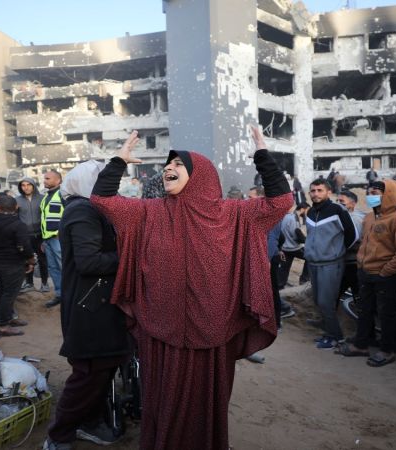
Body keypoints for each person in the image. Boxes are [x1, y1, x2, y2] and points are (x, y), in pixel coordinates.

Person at [90, 128, 292, 449]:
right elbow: (102, 200)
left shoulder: (235, 214)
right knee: (163, 402)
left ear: (202, 175)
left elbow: (281, 201)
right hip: (161, 334)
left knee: (205, 407)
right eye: (167, 165)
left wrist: (262, 156)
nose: (169, 169)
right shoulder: (146, 213)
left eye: (179, 165)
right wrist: (118, 160)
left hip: (211, 337)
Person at [44, 160, 131, 450]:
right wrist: (132, 257)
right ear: (87, 182)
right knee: (88, 376)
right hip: (90, 309)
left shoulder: (91, 209)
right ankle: (59, 435)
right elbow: (89, 262)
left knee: (101, 372)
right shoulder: (82, 210)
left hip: (98, 305)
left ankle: (90, 422)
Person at [335, 180, 396, 367]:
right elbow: (364, 244)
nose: (371, 196)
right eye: (369, 192)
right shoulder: (369, 218)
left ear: (390, 195)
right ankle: (361, 345)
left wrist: (386, 271)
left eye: (376, 192)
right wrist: (362, 265)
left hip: (386, 275)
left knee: (386, 313)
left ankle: (387, 350)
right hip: (365, 272)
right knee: (365, 310)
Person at [304, 178, 357, 349]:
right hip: (313, 263)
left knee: (326, 302)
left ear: (328, 192)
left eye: (320, 190)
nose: (316, 194)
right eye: (313, 190)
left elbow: (352, 235)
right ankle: (328, 334)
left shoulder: (337, 210)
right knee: (319, 301)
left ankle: (336, 337)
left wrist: (337, 252)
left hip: (331, 263)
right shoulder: (311, 212)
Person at [0, 195, 34, 336]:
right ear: (16, 208)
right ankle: (2, 325)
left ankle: (7, 318)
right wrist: (31, 261)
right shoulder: (18, 225)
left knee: (4, 291)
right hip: (12, 265)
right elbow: (25, 246)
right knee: (9, 294)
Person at [16, 177, 49, 293]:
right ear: (20, 187)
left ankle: (44, 284)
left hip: (40, 235)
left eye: (29, 185)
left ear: (34, 186)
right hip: (25, 235)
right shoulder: (17, 200)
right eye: (23, 185)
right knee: (26, 259)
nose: (26, 187)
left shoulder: (42, 198)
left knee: (42, 259)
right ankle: (29, 283)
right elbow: (15, 218)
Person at [40, 170, 65, 308]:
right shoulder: (46, 197)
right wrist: (44, 240)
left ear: (58, 180)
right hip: (48, 239)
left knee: (64, 268)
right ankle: (60, 295)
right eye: (44, 178)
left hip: (59, 239)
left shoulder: (63, 195)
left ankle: (70, 296)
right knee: (53, 268)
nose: (44, 181)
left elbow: (69, 216)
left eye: (48, 178)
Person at [336, 190, 365, 302]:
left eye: (342, 201)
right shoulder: (345, 216)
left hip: (353, 262)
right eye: (337, 201)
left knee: (357, 293)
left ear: (352, 204)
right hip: (348, 261)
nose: (338, 203)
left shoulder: (355, 219)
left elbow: (354, 241)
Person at [278, 202, 308, 287]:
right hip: (294, 248)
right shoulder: (293, 218)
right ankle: (304, 280)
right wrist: (305, 240)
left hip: (284, 248)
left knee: (284, 268)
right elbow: (296, 235)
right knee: (310, 257)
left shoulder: (282, 217)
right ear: (302, 209)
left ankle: (280, 285)